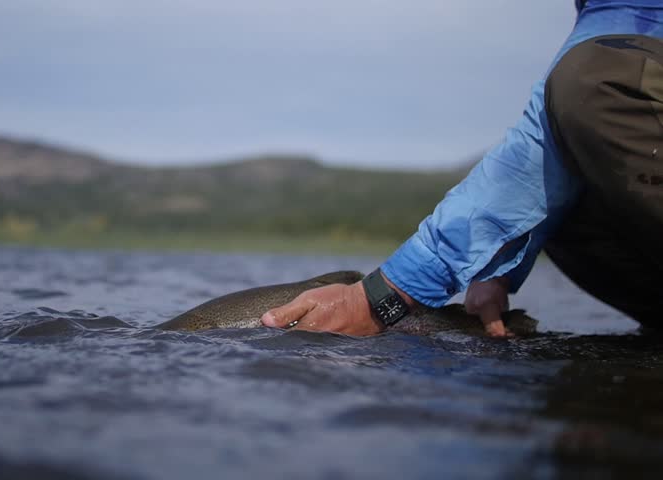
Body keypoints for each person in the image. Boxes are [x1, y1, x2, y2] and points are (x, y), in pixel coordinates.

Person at [262, 0, 663, 337]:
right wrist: (499, 267)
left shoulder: (611, 47)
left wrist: (383, 297)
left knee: (593, 76)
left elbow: (591, 84)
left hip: (600, 68)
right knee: (568, 184)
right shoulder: (612, 17)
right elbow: (543, 144)